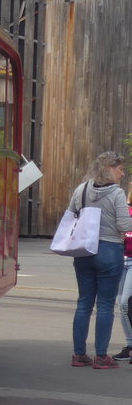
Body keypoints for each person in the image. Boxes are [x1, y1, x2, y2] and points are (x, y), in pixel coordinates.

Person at [68, 151, 132, 368]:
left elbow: (71, 215)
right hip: (109, 250)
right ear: (109, 169)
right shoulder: (116, 194)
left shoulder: (81, 189)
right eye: (120, 169)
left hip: (84, 251)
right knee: (105, 305)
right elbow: (125, 226)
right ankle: (101, 356)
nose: (123, 174)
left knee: (84, 303)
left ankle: (79, 354)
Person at [113, 204, 132, 361]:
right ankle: (130, 345)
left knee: (126, 302)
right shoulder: (126, 211)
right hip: (121, 259)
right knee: (121, 303)